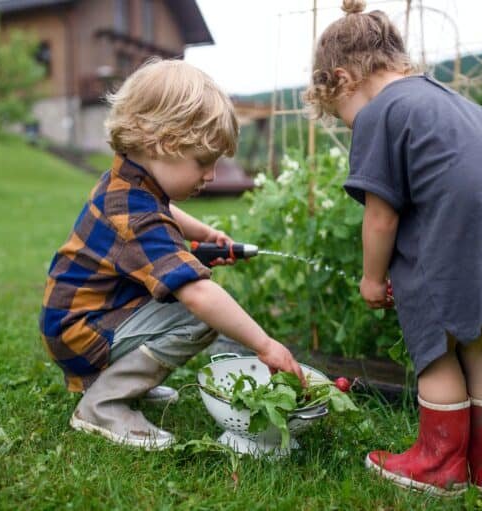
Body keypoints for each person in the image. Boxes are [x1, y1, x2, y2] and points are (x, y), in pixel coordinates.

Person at [304, 0, 482, 497]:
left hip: (464, 229)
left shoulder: (382, 111)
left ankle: (440, 466)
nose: (352, 127)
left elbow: (381, 216)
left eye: (342, 116)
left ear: (343, 79)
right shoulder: (446, 98)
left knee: (438, 350)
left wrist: (373, 279)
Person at [39, 58, 305, 451]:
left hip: (77, 320)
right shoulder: (139, 215)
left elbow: (164, 212)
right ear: (161, 143)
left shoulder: (127, 182)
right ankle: (103, 402)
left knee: (173, 299)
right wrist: (265, 345)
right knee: (194, 317)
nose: (211, 175)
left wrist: (201, 232)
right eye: (204, 162)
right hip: (83, 332)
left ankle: (120, 384)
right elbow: (197, 293)